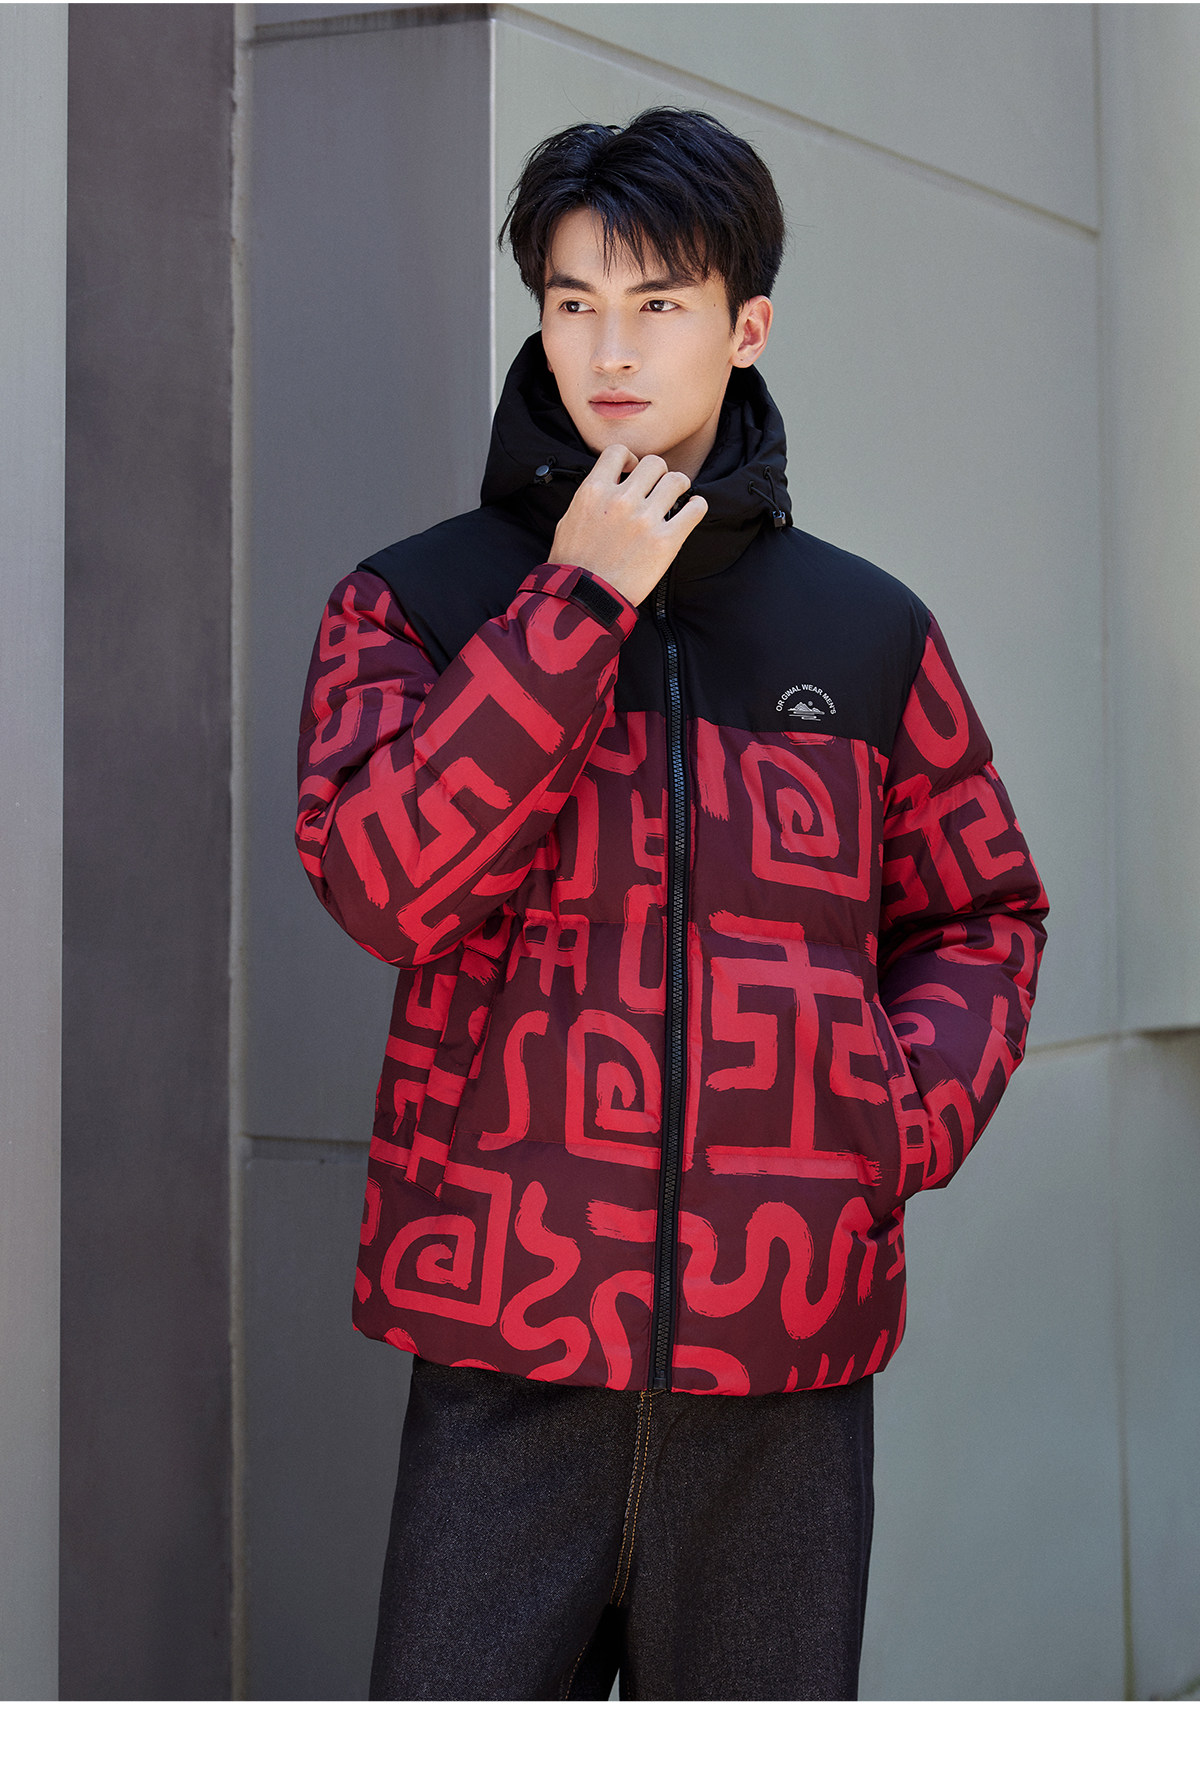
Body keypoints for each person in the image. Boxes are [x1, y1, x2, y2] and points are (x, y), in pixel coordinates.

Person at [295, 107, 1048, 1701]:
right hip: (506, 1359)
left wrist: (883, 1118)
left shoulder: (866, 633)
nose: (611, 350)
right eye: (573, 302)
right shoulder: (416, 603)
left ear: (744, 325)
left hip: (783, 1367)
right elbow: (382, 885)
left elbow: (984, 912)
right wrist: (574, 602)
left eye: (658, 303)